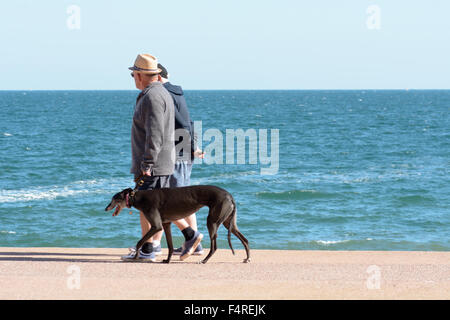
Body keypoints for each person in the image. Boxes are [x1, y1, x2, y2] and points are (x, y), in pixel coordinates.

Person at [122, 54, 203, 262]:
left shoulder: (152, 96)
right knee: (155, 207)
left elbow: (155, 132)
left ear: (140, 75)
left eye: (133, 74)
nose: (133, 77)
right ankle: (184, 236)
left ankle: (151, 249)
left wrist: (147, 163)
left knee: (147, 205)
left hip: (155, 164)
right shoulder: (160, 92)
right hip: (161, 161)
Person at [158, 63, 205, 256]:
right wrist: (193, 146)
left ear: (158, 77)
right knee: (182, 199)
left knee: (166, 199)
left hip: (175, 152)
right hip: (182, 151)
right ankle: (195, 245)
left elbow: (183, 123)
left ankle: (153, 245)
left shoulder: (165, 93)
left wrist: (193, 147)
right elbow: (189, 122)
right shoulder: (177, 93)